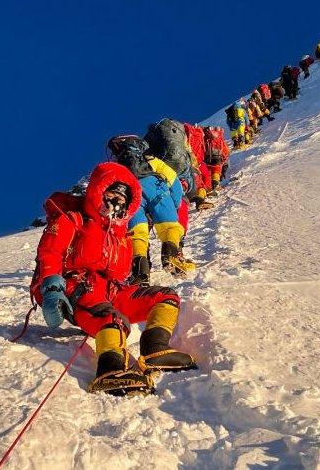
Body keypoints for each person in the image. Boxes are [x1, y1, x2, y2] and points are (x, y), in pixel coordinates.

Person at [31, 162, 197, 395]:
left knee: (165, 297)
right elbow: (50, 252)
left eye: (123, 197)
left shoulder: (122, 237)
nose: (117, 200)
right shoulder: (73, 219)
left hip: (111, 291)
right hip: (77, 289)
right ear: (98, 191)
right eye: (112, 193)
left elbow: (120, 275)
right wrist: (51, 288)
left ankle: (155, 350)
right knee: (112, 318)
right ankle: (110, 370)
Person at [107, 136, 196, 283]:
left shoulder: (119, 167)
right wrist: (174, 204)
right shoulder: (149, 159)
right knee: (170, 228)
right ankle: (170, 256)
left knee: (138, 234)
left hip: (132, 197)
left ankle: (140, 273)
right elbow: (173, 180)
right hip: (158, 193)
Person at [202, 126, 230, 195]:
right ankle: (215, 185)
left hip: (207, 157)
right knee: (216, 170)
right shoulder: (219, 138)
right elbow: (225, 150)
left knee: (208, 172)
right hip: (218, 156)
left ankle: (208, 188)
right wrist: (225, 161)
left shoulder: (205, 138)